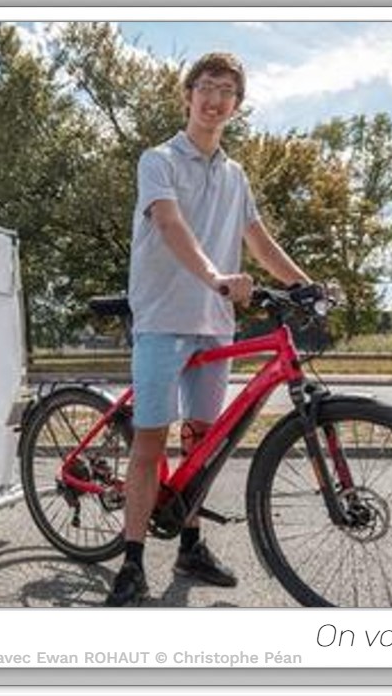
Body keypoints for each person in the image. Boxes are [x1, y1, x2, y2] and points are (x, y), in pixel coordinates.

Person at [106, 51, 314, 607]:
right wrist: (217, 275)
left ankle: (190, 543)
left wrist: (305, 283)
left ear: (237, 107)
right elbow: (171, 226)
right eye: (207, 86)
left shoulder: (235, 174)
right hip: (162, 318)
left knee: (202, 441)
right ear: (188, 94)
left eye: (227, 91)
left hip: (213, 323)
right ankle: (130, 561)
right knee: (151, 441)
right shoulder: (158, 160)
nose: (215, 98)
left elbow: (258, 237)